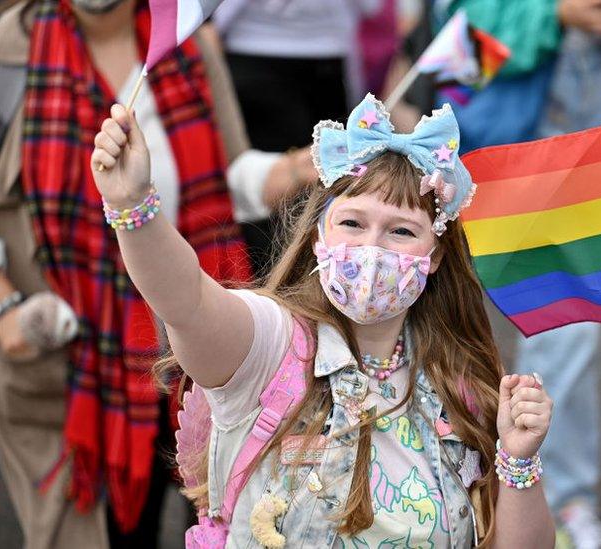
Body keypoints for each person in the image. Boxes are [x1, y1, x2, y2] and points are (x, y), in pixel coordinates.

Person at [91, 94, 557, 547]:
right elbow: (185, 299)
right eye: (353, 223)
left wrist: (518, 462)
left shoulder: (462, 386)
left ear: (434, 257)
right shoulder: (270, 347)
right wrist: (133, 206)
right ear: (319, 236)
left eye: (401, 231)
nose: (373, 248)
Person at [0, 0, 318, 546]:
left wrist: (295, 168)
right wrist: (8, 310)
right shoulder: (9, 61)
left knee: (215, 509)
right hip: (72, 353)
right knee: (102, 528)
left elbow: (231, 173)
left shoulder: (184, 45)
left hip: (188, 336)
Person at [425, 2, 601, 546]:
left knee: (571, 330)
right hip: (506, 156)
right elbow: (460, 36)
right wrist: (560, 15)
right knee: (453, 322)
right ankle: (440, 487)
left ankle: (565, 497)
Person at [212, 0, 383, 276]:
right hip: (254, 63)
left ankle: (325, 286)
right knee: (263, 200)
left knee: (331, 190)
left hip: (328, 60)